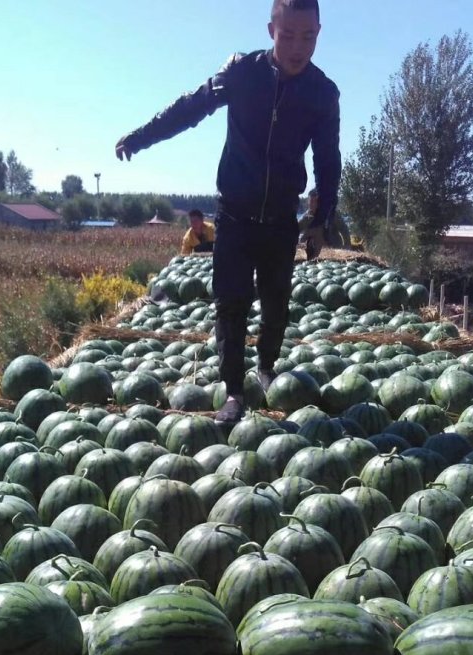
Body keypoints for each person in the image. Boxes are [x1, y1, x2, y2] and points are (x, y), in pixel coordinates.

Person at [115, 0, 341, 425]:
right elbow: (191, 107)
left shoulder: (323, 93)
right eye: (288, 35)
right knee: (231, 305)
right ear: (271, 30)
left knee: (276, 306)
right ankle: (234, 393)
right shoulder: (242, 72)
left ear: (319, 32)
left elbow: (328, 160)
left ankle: (267, 368)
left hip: (279, 221)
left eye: (307, 36)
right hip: (235, 215)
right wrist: (141, 137)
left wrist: (320, 220)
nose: (298, 46)